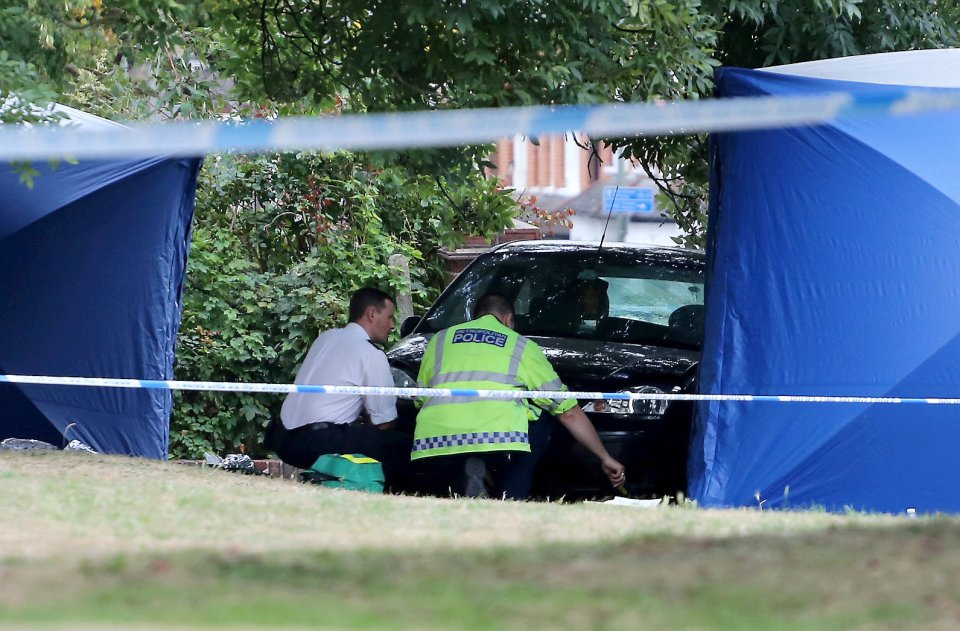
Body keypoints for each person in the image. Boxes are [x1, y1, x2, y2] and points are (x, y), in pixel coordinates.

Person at [411, 292, 625, 499]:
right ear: (509, 319)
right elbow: (568, 412)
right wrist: (604, 457)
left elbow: (420, 399)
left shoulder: (439, 341)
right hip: (497, 441)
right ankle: (511, 495)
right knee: (545, 416)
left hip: (435, 441)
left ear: (474, 317)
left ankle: (454, 485)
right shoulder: (520, 345)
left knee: (444, 471)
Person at [270, 287, 411, 489]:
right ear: (372, 314)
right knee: (406, 445)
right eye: (389, 317)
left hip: (282, 436)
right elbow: (384, 422)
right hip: (316, 441)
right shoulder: (371, 353)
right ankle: (379, 489)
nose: (392, 325)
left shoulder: (327, 338)